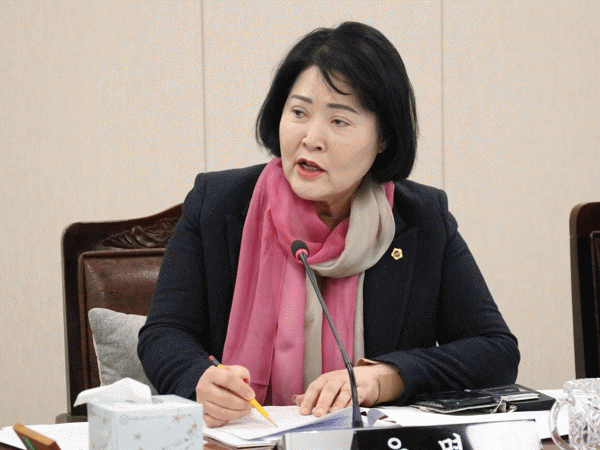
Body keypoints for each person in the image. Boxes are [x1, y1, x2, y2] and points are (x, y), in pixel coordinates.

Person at [138, 21, 519, 428]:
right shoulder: (218, 204)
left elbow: (495, 351)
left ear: (384, 138)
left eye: (339, 121)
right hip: (243, 438)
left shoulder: (422, 219)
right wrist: (198, 379)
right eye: (298, 113)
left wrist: (384, 378)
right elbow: (164, 333)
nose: (311, 138)